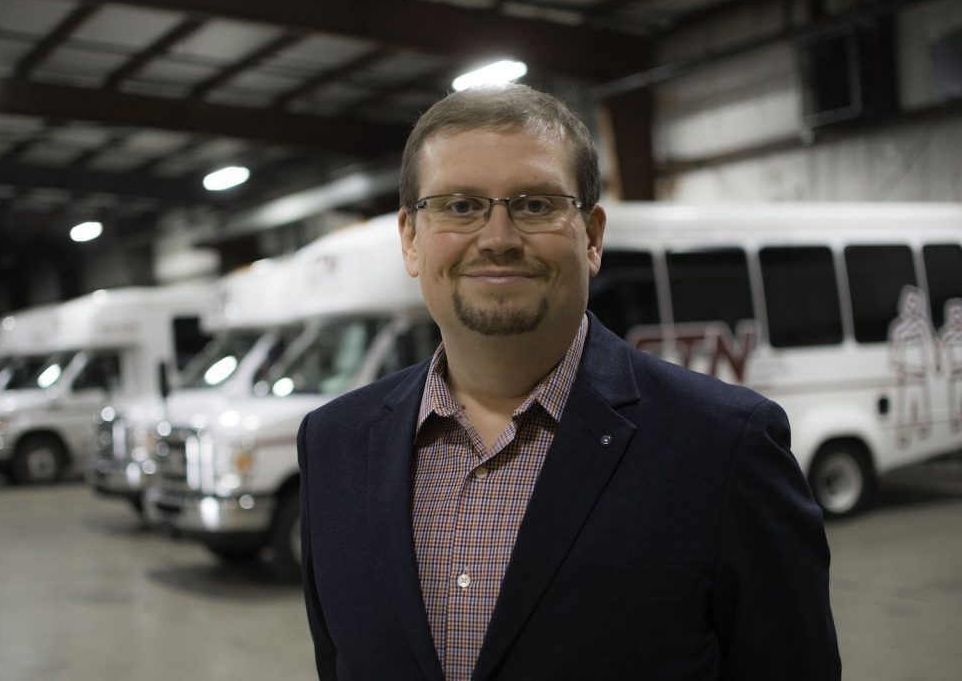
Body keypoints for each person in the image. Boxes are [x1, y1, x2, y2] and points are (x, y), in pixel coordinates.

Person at [297, 84, 841, 680]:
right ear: (410, 237)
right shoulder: (332, 444)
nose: (498, 238)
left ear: (592, 236)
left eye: (534, 205)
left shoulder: (724, 447)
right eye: (459, 205)